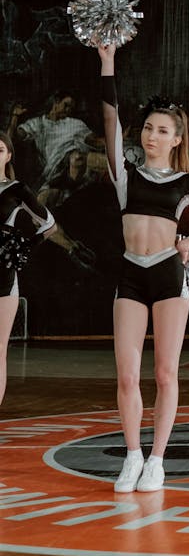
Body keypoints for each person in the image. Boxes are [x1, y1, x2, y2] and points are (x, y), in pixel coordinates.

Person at [98, 42, 189, 493]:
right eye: (149, 128)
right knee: (125, 374)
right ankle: (132, 456)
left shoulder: (187, 182)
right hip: (131, 276)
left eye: (163, 130)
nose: (152, 136)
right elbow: (110, 121)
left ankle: (158, 458)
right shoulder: (126, 175)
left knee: (164, 373)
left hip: (169, 276)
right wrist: (107, 62)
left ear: (177, 139)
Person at [0, 130, 56, 406]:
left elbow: (49, 224)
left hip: (3, 275)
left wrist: (23, 247)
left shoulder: (16, 189)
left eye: (0, 149)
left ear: (8, 155)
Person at [9, 90, 100, 189]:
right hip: (53, 171)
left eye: (71, 108)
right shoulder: (37, 124)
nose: (68, 110)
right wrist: (15, 116)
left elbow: (94, 141)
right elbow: (11, 139)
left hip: (77, 164)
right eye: (66, 105)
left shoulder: (74, 123)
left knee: (79, 157)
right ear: (56, 101)